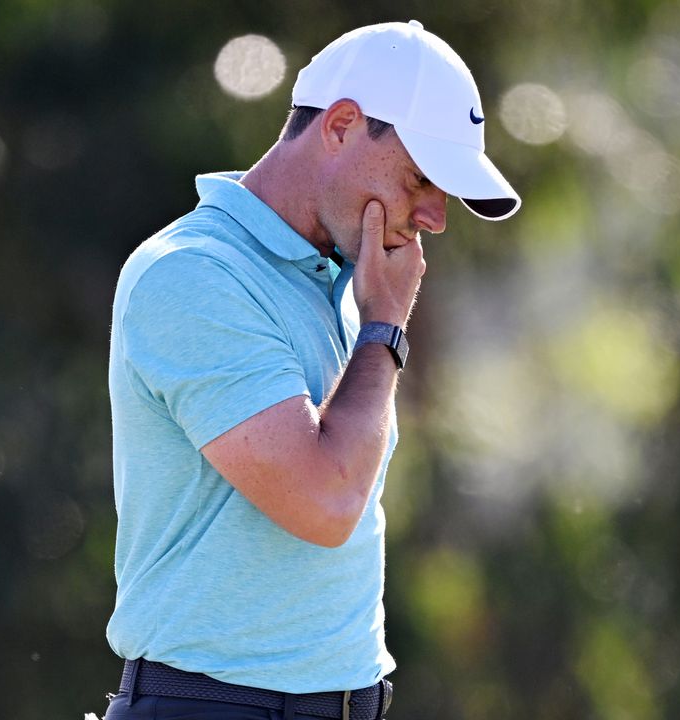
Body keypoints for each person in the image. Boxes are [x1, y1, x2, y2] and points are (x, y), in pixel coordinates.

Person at [100, 20, 520, 720]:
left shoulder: (350, 284)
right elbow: (323, 504)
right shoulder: (193, 275)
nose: (435, 217)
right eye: (421, 177)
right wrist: (385, 331)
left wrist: (376, 323)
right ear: (343, 126)